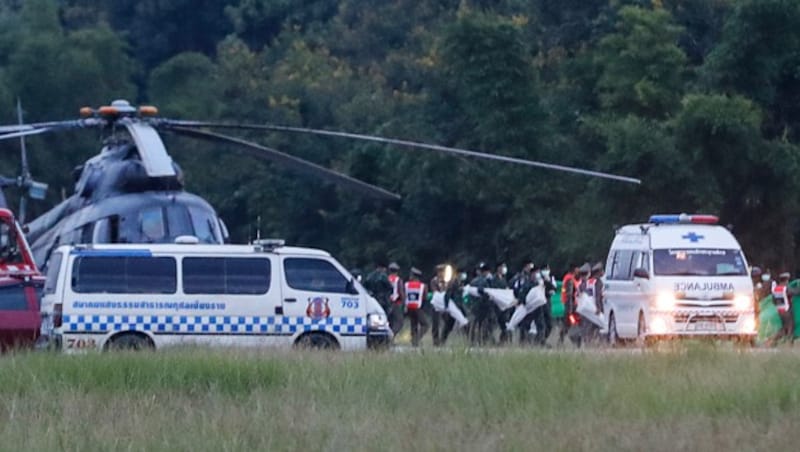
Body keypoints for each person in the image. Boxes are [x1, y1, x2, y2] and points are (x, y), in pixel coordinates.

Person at [469, 262, 494, 346]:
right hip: (482, 305)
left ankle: (472, 340)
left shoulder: (473, 281)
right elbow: (482, 290)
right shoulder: (484, 281)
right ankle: (482, 341)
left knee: (475, 324)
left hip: (474, 305)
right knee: (483, 324)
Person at [404, 267, 430, 347]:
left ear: (413, 276)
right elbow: (425, 297)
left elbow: (404, 295)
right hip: (418, 307)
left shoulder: (406, 284)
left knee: (413, 324)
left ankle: (414, 344)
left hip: (409, 307)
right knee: (425, 325)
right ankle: (416, 338)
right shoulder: (423, 286)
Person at [559, 264, 581, 345]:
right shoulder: (570, 280)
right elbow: (569, 295)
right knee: (573, 323)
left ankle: (561, 341)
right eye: (577, 269)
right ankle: (576, 341)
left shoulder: (567, 277)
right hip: (570, 307)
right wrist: (570, 310)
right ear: (574, 269)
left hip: (569, 306)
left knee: (568, 324)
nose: (579, 270)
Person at [772, 272, 795, 344]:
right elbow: (795, 292)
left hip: (780, 310)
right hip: (787, 310)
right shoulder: (786, 288)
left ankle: (773, 341)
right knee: (790, 326)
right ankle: (789, 343)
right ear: (786, 280)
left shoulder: (776, 289)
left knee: (784, 327)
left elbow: (774, 301)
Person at [493, 262, 512, 344]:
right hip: (496, 306)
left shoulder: (504, 279)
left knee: (505, 324)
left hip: (504, 306)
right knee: (493, 324)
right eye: (502, 267)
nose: (504, 268)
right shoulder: (494, 279)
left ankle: (503, 341)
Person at [387, 262, 405, 335]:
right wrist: (404, 302)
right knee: (399, 322)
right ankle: (391, 336)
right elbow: (400, 291)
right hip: (396, 303)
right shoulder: (398, 280)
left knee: (390, 322)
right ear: (397, 271)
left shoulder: (386, 278)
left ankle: (388, 338)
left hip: (387, 302)